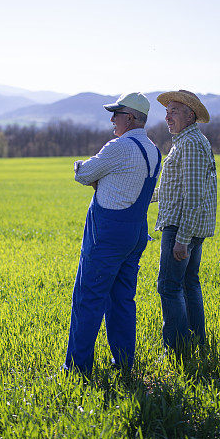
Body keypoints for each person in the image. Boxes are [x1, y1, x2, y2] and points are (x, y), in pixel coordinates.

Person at [63, 92, 161, 376]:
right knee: (122, 300)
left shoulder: (118, 146)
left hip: (106, 234)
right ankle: (124, 363)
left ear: (130, 118)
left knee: (88, 299)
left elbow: (83, 173)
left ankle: (77, 369)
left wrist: (87, 171)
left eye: (116, 114)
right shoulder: (154, 150)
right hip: (135, 234)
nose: (111, 119)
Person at [152, 89, 216, 354]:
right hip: (186, 226)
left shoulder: (189, 144)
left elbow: (193, 195)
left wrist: (182, 240)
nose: (168, 117)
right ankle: (196, 343)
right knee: (189, 284)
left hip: (181, 227)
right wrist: (139, 197)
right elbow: (173, 189)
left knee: (169, 286)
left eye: (174, 111)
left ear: (191, 115)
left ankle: (178, 350)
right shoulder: (186, 141)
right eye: (167, 112)